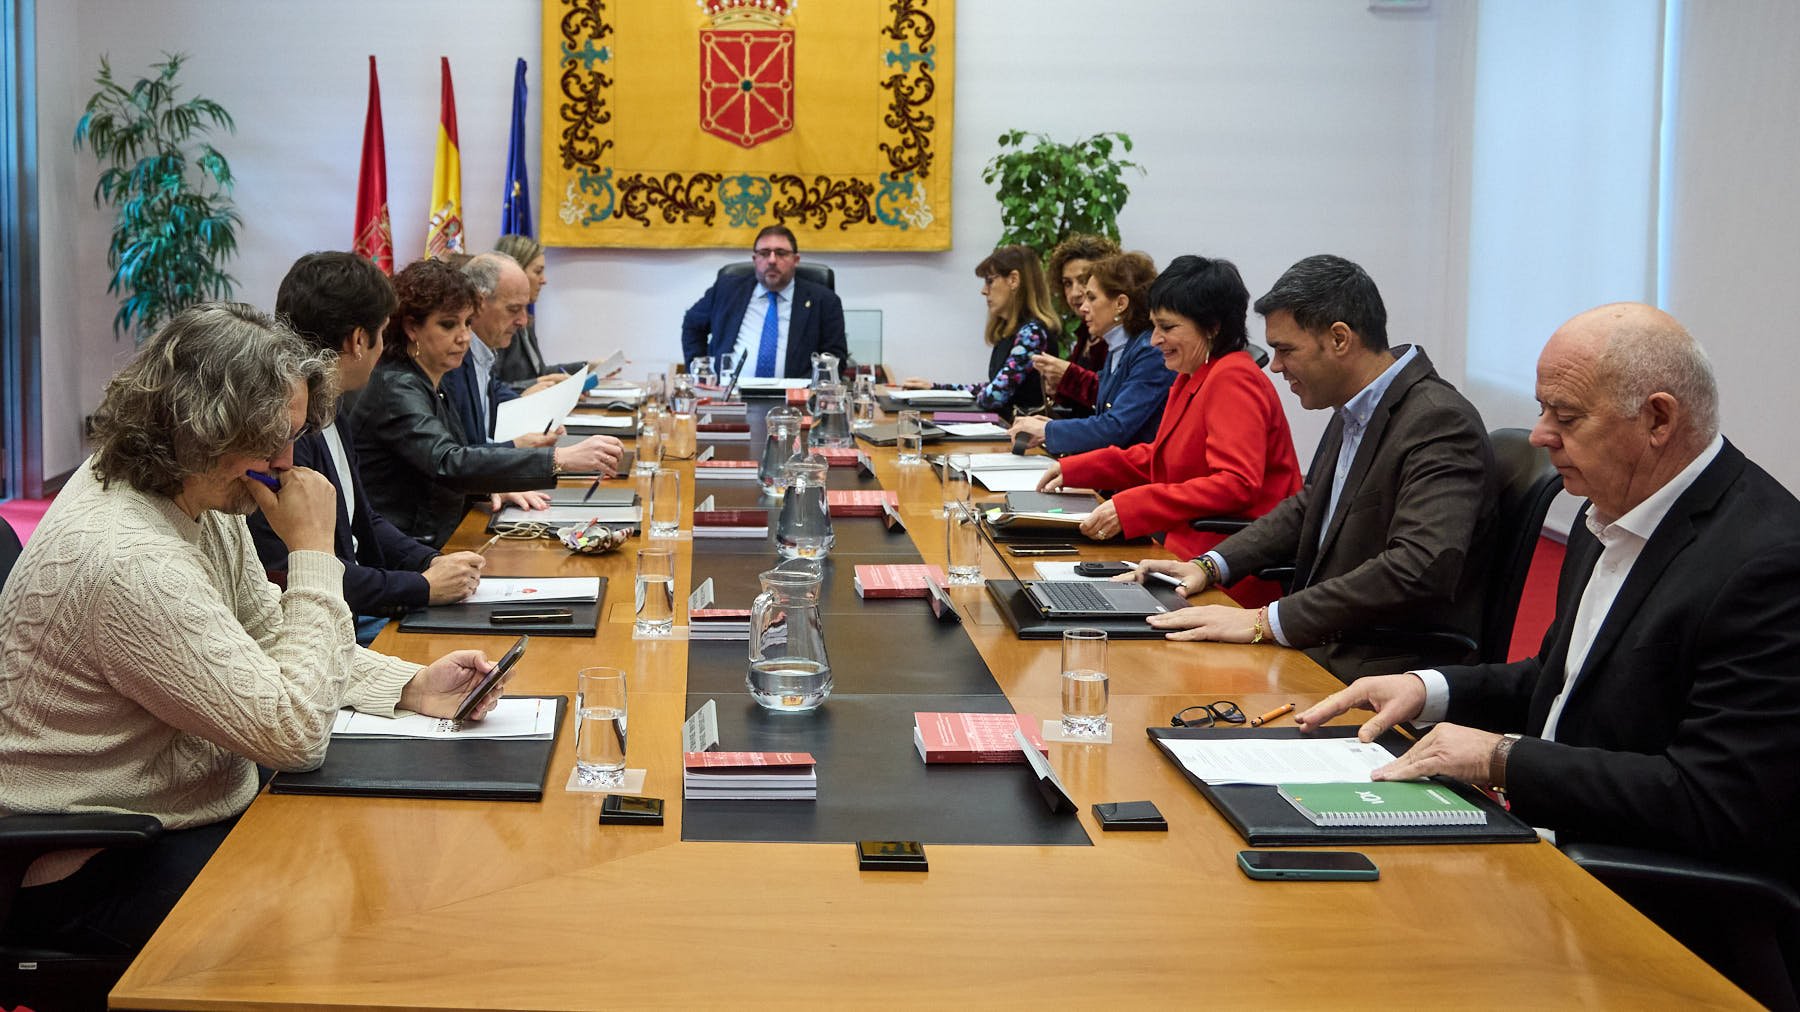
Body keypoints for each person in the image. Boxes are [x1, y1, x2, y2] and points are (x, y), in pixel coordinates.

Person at [1295, 304, 1800, 990]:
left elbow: (1711, 801)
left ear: (1658, 420)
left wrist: (1503, 758)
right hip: (1547, 854)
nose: (1540, 435)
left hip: (1649, 917)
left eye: (1566, 416)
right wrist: (1428, 688)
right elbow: (1562, 681)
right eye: (1543, 411)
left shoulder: (1768, 564)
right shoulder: (1607, 514)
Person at [0, 304, 509, 956]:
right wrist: (315, 555)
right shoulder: (128, 557)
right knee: (366, 921)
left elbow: (268, 633)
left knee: (399, 858)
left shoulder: (198, 490)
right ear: (200, 430)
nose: (286, 460)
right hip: (97, 858)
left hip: (190, 806)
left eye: (292, 434)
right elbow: (294, 735)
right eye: (269, 439)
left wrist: (411, 684)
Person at [1135, 254, 1496, 680]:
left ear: (1340, 339)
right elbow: (1308, 508)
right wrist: (1209, 564)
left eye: (1286, 349)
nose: (1275, 365)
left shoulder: (1438, 421)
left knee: (1167, 677)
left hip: (1377, 667)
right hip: (1327, 642)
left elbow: (1417, 568)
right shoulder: (1356, 408)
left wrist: (1264, 621)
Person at [248, 252, 486, 644]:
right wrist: (422, 587)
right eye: (383, 332)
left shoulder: (334, 404)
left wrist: (431, 562)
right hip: (321, 634)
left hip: (361, 610)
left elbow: (364, 519)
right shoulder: (283, 434)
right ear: (359, 340)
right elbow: (296, 568)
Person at [1037, 255, 1300, 606]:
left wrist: (1134, 504)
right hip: (1181, 555)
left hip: (1224, 572)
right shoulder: (1194, 374)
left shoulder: (1234, 378)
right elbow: (1163, 457)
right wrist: (1076, 468)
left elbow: (1236, 483)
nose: (1154, 340)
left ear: (1212, 326)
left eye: (1167, 327)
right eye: (1154, 327)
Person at [350, 259, 624, 548]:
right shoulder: (398, 387)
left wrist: (487, 489)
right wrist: (560, 459)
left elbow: (452, 459)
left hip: (431, 539)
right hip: (405, 553)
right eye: (448, 325)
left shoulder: (429, 379)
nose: (464, 337)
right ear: (411, 328)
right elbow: (448, 462)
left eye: (467, 322)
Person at [1007, 251, 1175, 455]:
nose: (1084, 307)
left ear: (1120, 304)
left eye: (1092, 298)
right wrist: (1050, 426)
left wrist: (1048, 430)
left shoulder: (1150, 352)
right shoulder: (1119, 348)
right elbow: (1104, 420)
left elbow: (1116, 428)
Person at [901, 244, 1058, 417]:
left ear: (1013, 280)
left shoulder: (1032, 334)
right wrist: (935, 388)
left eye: (990, 281)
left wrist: (944, 392)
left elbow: (993, 396)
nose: (984, 291)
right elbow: (992, 387)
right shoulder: (1010, 333)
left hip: (1025, 438)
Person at [680, 224, 848, 379]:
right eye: (764, 253)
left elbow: (834, 359)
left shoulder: (824, 301)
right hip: (732, 398)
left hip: (795, 402)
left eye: (781, 253)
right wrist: (700, 372)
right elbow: (692, 325)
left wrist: (809, 394)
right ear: (755, 259)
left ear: (795, 260)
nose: (772, 260)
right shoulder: (727, 289)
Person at [444, 252, 549, 444]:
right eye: (513, 309)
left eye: (525, 309)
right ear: (478, 303)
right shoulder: (451, 359)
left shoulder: (483, 352)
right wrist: (517, 447)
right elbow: (458, 457)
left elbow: (495, 391)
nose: (523, 321)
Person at [492, 234, 614, 390]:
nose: (544, 280)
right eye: (538, 272)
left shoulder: (525, 321)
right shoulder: (499, 324)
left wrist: (586, 367)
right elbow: (490, 391)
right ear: (516, 273)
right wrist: (541, 385)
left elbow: (540, 373)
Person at [1032, 233, 1120, 414]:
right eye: (1067, 283)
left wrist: (1068, 376)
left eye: (1083, 280)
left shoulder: (1121, 335)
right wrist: (1056, 387)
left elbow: (1115, 398)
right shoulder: (1085, 331)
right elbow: (1082, 401)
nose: (1075, 293)